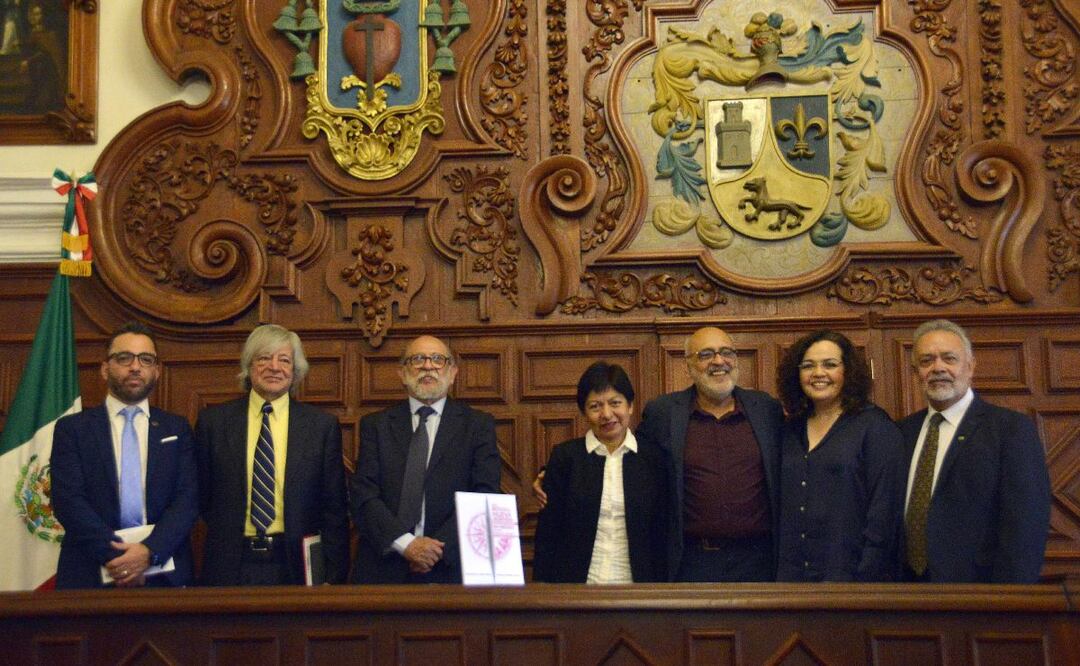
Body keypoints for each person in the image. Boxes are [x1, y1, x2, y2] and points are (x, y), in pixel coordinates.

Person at [194, 324, 349, 585]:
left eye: (284, 360)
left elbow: (334, 508)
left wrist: (333, 575)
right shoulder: (214, 423)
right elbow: (203, 497)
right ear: (249, 366)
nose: (274, 367)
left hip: (295, 564)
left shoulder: (320, 427)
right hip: (229, 562)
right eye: (264, 358)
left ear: (295, 370)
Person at [900, 319, 1051, 583]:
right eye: (926, 361)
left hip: (979, 594)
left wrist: (1011, 598)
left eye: (949, 358)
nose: (938, 368)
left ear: (970, 366)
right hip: (905, 592)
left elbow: (1025, 524)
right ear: (916, 372)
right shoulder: (901, 433)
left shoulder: (1010, 430)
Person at [51, 321, 198, 589]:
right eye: (124, 358)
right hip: (91, 572)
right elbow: (68, 501)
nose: (135, 367)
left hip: (164, 573)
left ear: (157, 371)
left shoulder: (176, 429)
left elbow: (187, 500)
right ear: (105, 369)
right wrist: (122, 558)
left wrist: (149, 553)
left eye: (145, 359)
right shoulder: (73, 429)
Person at [636, 326, 784, 582]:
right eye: (706, 354)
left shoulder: (766, 409)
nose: (719, 361)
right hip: (692, 562)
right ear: (688, 366)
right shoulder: (663, 413)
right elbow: (636, 470)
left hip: (759, 562)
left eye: (726, 352)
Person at [350, 335, 501, 583]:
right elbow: (364, 493)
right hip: (385, 568)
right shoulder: (376, 426)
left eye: (438, 360)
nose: (428, 366)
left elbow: (484, 495)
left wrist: (434, 551)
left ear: (453, 373)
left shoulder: (477, 425)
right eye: (418, 359)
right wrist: (406, 544)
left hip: (451, 568)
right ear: (402, 373)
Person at [774, 330, 905, 582]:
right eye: (808, 366)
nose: (818, 373)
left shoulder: (875, 427)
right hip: (791, 577)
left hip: (849, 577)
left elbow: (884, 512)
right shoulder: (790, 429)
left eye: (830, 365)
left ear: (848, 371)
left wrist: (866, 576)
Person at [533, 362, 668, 583]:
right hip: (577, 587)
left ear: (630, 405)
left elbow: (663, 532)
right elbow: (549, 532)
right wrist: (542, 587)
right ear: (584, 412)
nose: (606, 414)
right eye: (595, 406)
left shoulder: (654, 459)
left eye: (615, 403)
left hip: (639, 588)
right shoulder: (565, 458)